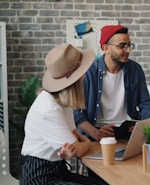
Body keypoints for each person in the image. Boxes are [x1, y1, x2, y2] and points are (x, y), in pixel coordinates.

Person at [20, 44, 108, 185]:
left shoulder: (62, 101)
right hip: (40, 177)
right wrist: (86, 142)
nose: (85, 75)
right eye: (82, 72)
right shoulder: (49, 109)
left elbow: (74, 139)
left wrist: (79, 143)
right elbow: (78, 149)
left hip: (58, 171)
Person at [74, 25, 150, 141]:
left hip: (127, 132)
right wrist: (95, 133)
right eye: (122, 46)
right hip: (96, 134)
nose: (128, 50)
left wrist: (144, 131)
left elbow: (145, 104)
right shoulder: (88, 72)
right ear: (106, 48)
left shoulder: (135, 69)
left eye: (129, 45)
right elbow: (74, 110)